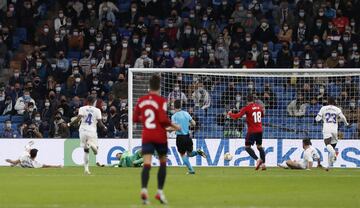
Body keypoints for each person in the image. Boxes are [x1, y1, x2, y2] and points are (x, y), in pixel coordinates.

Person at [133, 74, 180, 205]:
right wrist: (175, 126)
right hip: (160, 136)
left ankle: (144, 190)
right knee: (162, 163)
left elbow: (135, 118)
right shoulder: (161, 101)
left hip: (147, 136)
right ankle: (159, 192)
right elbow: (163, 120)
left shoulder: (141, 100)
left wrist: (147, 121)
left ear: (149, 85)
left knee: (147, 164)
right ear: (159, 86)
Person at [68, 95, 107, 174]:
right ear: (93, 102)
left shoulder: (82, 108)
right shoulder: (97, 110)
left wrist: (69, 124)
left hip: (82, 130)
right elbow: (100, 123)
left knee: (86, 150)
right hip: (92, 131)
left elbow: (78, 119)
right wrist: (104, 127)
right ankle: (91, 144)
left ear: (87, 101)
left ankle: (86, 169)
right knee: (96, 151)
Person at [228, 94, 266, 170]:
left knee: (247, 147)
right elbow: (262, 115)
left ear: (247, 101)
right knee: (259, 147)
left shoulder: (247, 108)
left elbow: (237, 116)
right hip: (260, 130)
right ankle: (264, 164)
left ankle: (258, 160)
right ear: (253, 100)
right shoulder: (259, 107)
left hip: (252, 131)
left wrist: (230, 114)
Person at [171, 100, 206, 174]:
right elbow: (194, 123)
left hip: (180, 137)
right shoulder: (186, 113)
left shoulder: (174, 116)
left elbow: (175, 127)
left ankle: (191, 170)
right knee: (189, 153)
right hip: (188, 137)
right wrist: (186, 125)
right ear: (181, 106)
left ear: (174, 106)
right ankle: (197, 152)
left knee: (183, 154)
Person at [315, 97, 350, 168]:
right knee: (332, 146)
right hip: (334, 129)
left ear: (328, 102)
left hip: (327, 128)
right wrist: (346, 124)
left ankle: (333, 154)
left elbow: (317, 119)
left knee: (327, 144)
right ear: (334, 103)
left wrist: (319, 118)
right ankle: (329, 165)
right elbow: (343, 117)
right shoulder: (337, 109)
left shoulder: (323, 108)